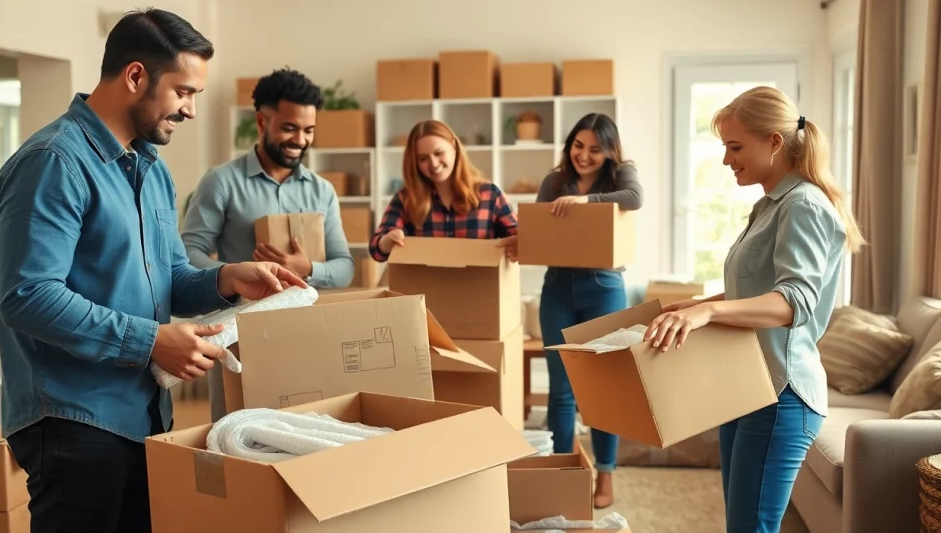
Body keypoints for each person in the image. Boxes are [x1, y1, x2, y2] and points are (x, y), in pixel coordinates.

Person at [0, 8, 307, 533]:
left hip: (144, 416)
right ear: (136, 75)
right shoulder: (54, 161)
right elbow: (27, 295)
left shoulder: (151, 170)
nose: (188, 110)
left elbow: (169, 278)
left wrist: (227, 278)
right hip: (74, 420)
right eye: (183, 92)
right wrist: (151, 342)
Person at [644, 86, 863, 533]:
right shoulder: (770, 204)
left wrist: (706, 315)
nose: (727, 160)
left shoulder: (803, 205)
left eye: (735, 146)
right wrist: (701, 304)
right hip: (747, 385)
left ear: (774, 142)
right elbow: (759, 288)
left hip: (782, 394)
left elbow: (795, 301)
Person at [181, 67, 354, 422]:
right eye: (289, 128)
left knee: (305, 434)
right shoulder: (221, 182)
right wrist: (236, 273)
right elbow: (187, 256)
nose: (300, 140)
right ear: (262, 122)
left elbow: (345, 268)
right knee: (234, 435)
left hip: (307, 336)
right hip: (240, 335)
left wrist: (307, 269)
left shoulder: (322, 191)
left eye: (308, 130)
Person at [502, 113, 643, 509]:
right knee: (562, 390)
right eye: (578, 146)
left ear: (609, 151)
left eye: (595, 149)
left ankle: (606, 475)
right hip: (559, 287)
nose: (583, 155)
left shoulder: (621, 178)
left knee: (603, 390)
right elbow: (540, 231)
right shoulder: (553, 181)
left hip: (604, 287)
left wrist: (587, 202)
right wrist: (518, 240)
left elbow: (635, 199)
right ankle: (565, 474)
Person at [368, 119, 517, 261]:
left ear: (454, 147)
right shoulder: (406, 198)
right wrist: (388, 241)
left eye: (439, 153)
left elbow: (520, 237)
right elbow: (376, 250)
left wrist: (519, 244)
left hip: (480, 285)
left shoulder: (490, 195)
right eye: (423, 158)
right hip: (423, 287)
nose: (433, 163)